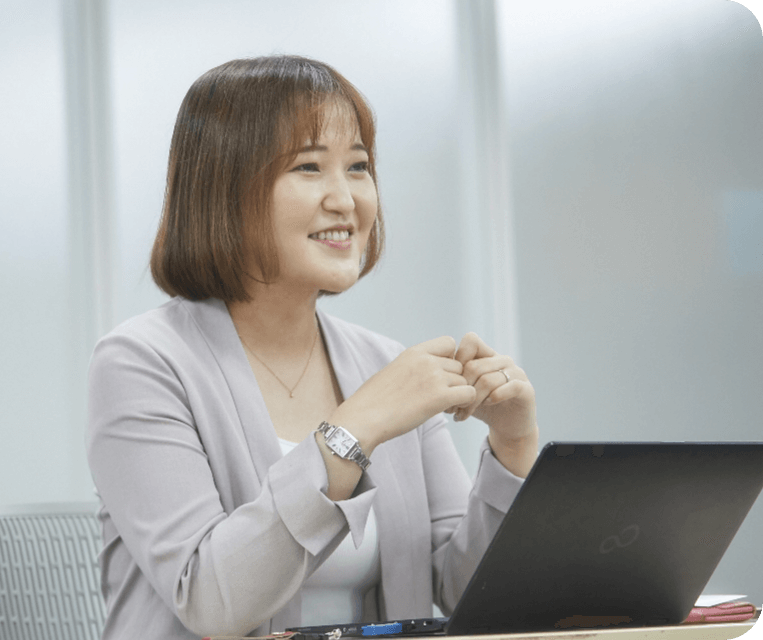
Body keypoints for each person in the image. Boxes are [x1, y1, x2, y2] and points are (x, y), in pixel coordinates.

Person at [86, 55, 539, 640]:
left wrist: (512, 445)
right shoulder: (139, 363)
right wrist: (356, 428)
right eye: (308, 167)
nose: (346, 200)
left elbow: (463, 593)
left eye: (358, 166)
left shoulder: (386, 364)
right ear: (223, 190)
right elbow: (210, 601)